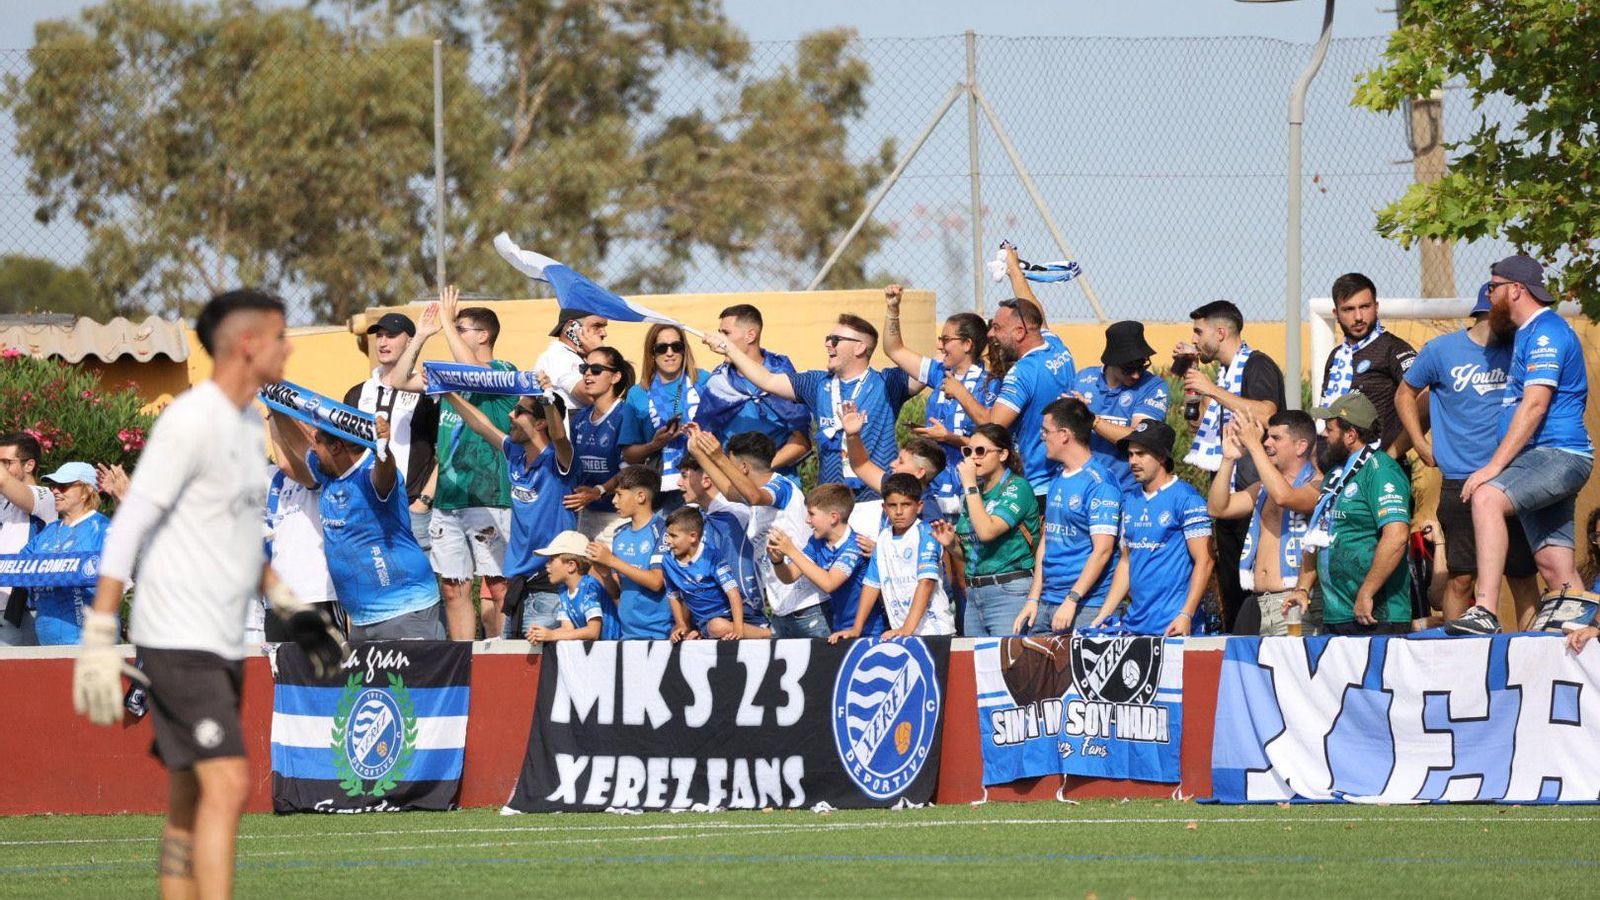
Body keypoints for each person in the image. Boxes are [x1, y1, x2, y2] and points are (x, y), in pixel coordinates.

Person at [72, 289, 343, 900]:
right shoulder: (192, 421)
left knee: (190, 796)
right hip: (177, 635)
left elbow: (240, 543)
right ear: (250, 345)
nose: (291, 348)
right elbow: (132, 523)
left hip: (216, 638)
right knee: (227, 783)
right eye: (281, 337)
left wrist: (292, 609)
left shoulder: (247, 429)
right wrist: (99, 634)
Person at [1449, 255, 1593, 635]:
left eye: (1493, 286)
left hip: (1558, 455)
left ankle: (1484, 610)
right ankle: (1589, 649)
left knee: (1486, 498)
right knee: (1556, 572)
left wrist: (1493, 468)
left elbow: (1534, 405)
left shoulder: (1546, 332)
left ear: (1516, 289)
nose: (1489, 293)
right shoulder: (1527, 333)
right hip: (1539, 460)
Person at [1395, 285, 1540, 625]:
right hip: (1462, 482)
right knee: (1461, 578)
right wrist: (1419, 442)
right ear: (1491, 311)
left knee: (1521, 576)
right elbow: (1405, 394)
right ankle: (1455, 659)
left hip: (1514, 478)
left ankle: (1529, 659)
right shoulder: (1441, 350)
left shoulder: (1521, 348)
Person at [706, 313, 910, 533]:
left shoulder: (887, 383)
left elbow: (922, 369)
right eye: (828, 338)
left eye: (835, 340)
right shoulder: (816, 383)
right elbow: (768, 380)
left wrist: (892, 311)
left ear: (859, 347)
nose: (827, 344)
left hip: (874, 502)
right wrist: (730, 349)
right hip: (830, 507)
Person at [388, 290, 516, 640]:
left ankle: (503, 657)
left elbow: (475, 371)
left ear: (483, 336)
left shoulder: (503, 370)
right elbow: (398, 381)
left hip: (488, 495)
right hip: (448, 498)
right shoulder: (446, 375)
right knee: (453, 588)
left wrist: (445, 321)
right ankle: (463, 660)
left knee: (498, 585)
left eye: (461, 328)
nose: (452, 332)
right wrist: (422, 336)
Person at [271, 410, 444, 641]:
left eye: (317, 441)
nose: (312, 447)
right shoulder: (330, 472)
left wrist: (384, 450)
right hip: (362, 621)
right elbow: (297, 444)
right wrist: (274, 403)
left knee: (416, 678)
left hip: (405, 610)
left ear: (336, 448)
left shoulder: (370, 473)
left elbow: (385, 474)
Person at [1176, 299, 1285, 632]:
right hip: (1227, 498)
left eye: (1199, 332)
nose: (1194, 339)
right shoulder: (1224, 373)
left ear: (1220, 332)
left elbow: (1267, 413)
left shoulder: (1257, 365)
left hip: (1254, 500)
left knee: (1254, 599)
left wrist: (1212, 389)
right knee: (1232, 598)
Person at [439, 382, 576, 639]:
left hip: (549, 586)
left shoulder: (558, 459)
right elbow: (481, 425)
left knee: (537, 673)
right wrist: (448, 393)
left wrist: (546, 398)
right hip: (518, 584)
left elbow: (560, 438)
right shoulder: (515, 452)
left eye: (520, 411)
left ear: (540, 423)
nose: (510, 415)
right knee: (511, 673)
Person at [1289, 393, 1413, 635]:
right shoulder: (1335, 475)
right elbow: (1319, 534)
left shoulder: (1381, 470)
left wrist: (1367, 592)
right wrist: (1302, 589)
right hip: (1336, 615)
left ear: (1351, 435)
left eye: (1330, 429)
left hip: (1375, 614)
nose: (1324, 435)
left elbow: (1396, 537)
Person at [879, 283, 998, 517]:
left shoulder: (991, 383)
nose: (939, 345)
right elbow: (894, 349)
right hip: (934, 488)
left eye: (945, 339)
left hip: (971, 488)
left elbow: (993, 439)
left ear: (967, 345)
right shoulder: (938, 373)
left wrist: (949, 438)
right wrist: (893, 309)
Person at [943, 295, 1077, 500]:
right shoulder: (1055, 345)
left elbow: (993, 423)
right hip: (1061, 475)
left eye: (997, 327)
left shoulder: (1023, 372)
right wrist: (1014, 270)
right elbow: (1034, 311)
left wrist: (959, 391)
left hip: (1035, 484)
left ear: (1019, 332)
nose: (990, 334)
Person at [1090, 422, 1213, 636]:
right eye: (1130, 455)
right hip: (1135, 626)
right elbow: (1127, 561)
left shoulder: (1187, 498)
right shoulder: (1131, 500)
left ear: (1162, 457)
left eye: (1141, 454)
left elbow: (1206, 560)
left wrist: (1186, 615)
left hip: (1174, 627)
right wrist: (1104, 614)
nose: (1133, 461)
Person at [1207, 410, 1322, 635]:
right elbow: (1218, 508)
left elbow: (1285, 497)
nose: (1267, 443)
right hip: (1259, 605)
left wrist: (1254, 446)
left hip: (1294, 605)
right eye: (1266, 437)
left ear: (1300, 446)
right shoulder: (1262, 488)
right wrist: (1228, 459)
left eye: (1276, 438)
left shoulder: (1318, 484)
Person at [1016, 398, 1120, 634]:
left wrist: (1072, 599)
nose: (1042, 437)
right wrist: (1033, 598)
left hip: (1084, 606)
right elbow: (1047, 539)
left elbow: (1102, 550)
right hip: (1047, 602)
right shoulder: (1058, 478)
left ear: (1064, 435)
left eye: (1045, 431)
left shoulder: (1100, 483)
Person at [683, 430, 802, 636]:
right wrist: (699, 453)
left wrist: (719, 456)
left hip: (805, 606)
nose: (728, 473)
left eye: (731, 466)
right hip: (781, 607)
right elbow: (730, 491)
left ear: (743, 467)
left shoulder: (780, 486)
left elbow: (754, 496)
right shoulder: (755, 497)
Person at [928, 424, 1040, 637]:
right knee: (977, 668)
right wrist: (951, 544)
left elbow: (987, 532)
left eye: (981, 451)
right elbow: (972, 550)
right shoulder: (974, 494)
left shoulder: (1017, 487)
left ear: (1003, 454)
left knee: (1007, 666)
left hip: (1009, 590)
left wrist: (969, 484)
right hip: (975, 593)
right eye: (968, 451)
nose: (973, 458)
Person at [343, 311, 440, 552]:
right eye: (380, 336)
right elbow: (344, 451)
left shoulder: (429, 391)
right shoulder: (357, 393)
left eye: (392, 335)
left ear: (410, 341)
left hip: (410, 506)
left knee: (417, 587)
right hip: (364, 506)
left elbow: (447, 449)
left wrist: (423, 501)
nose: (383, 342)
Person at [829, 473, 955, 641]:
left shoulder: (927, 533)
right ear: (884, 508)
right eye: (892, 505)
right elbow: (872, 584)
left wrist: (906, 629)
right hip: (901, 634)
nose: (899, 511)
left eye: (906, 504)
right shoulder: (883, 538)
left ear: (919, 506)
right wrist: (856, 629)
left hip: (934, 632)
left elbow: (926, 583)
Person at [693, 304, 811, 478]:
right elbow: (706, 438)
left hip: (778, 483)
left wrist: (760, 470)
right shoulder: (719, 383)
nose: (719, 338)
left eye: (726, 333)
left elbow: (802, 441)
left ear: (751, 336)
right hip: (733, 485)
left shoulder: (783, 378)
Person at [1317, 273, 1417, 453]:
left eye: (1364, 307)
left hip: (1378, 467)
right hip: (1337, 466)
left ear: (1376, 307)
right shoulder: (1336, 356)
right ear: (1336, 314)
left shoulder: (1394, 349)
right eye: (1348, 309)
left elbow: (1423, 400)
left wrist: (1391, 454)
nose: (1358, 317)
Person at [262, 415, 340, 643]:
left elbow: (289, 463)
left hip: (317, 593)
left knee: (326, 674)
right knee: (282, 676)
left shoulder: (326, 472)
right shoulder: (270, 476)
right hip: (278, 602)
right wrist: (272, 411)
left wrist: (276, 409)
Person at [619, 323, 710, 512]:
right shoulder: (638, 394)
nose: (670, 353)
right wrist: (655, 444)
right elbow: (629, 453)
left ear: (684, 350)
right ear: (652, 353)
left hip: (706, 480)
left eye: (676, 346)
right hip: (662, 488)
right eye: (662, 348)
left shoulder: (703, 381)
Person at [767, 483, 875, 639]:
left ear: (833, 517)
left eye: (811, 514)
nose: (807, 520)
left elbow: (829, 583)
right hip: (839, 629)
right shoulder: (817, 542)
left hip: (867, 632)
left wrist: (791, 550)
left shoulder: (855, 546)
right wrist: (777, 561)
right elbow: (789, 577)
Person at [1075, 320, 1171, 493]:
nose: (1136, 375)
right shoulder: (1082, 380)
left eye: (1141, 366)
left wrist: (1090, 419)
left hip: (1128, 492)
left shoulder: (1152, 387)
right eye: (1128, 369)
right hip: (1083, 488)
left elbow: (1140, 437)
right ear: (1111, 362)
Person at [22, 462, 109, 646]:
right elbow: (17, 566)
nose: (55, 491)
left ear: (85, 491)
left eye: (63, 486)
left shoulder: (103, 528)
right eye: (52, 486)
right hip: (45, 644)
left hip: (90, 644)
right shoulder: (48, 531)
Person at [586, 467, 672, 640]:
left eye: (619, 494)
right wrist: (605, 574)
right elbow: (618, 592)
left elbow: (656, 582)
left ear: (641, 496)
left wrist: (611, 561)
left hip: (659, 635)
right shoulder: (620, 534)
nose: (614, 501)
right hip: (627, 634)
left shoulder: (663, 530)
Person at [659, 506, 768, 640]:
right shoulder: (667, 561)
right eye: (667, 535)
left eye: (673, 536)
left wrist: (738, 630)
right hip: (707, 621)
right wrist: (681, 624)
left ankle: (769, 634)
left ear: (693, 536)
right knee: (714, 627)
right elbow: (673, 595)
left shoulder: (711, 557)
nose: (668, 541)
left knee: (718, 627)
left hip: (735, 614)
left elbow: (733, 593)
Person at [677, 450, 764, 616]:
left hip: (744, 614)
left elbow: (742, 574)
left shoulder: (734, 516)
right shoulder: (701, 516)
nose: (678, 482)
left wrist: (743, 619)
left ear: (706, 480)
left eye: (684, 475)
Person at [567, 346, 641, 538]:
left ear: (615, 377)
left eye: (596, 370)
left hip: (618, 516)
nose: (588, 375)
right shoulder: (580, 418)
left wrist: (599, 491)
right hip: (586, 512)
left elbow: (629, 470)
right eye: (585, 369)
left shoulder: (626, 414)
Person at [839, 402, 946, 524]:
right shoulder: (893, 486)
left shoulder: (930, 516)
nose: (892, 464)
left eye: (901, 462)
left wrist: (875, 544)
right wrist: (853, 435)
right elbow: (861, 465)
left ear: (920, 472)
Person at [0, 431, 55, 646]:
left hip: (22, 608)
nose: (2, 469)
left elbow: (4, 482)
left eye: (6, 462)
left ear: (29, 465)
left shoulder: (46, 496)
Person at [527, 531, 621, 642]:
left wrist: (552, 635)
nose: (547, 565)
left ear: (571, 565)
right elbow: (567, 628)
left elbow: (593, 632)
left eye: (552, 560)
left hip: (611, 648)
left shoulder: (589, 587)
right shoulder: (563, 591)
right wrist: (543, 634)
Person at [534, 308, 610, 410]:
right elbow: (592, 395)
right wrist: (599, 352)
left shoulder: (576, 357)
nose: (604, 333)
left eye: (604, 327)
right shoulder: (559, 356)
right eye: (596, 326)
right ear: (571, 327)